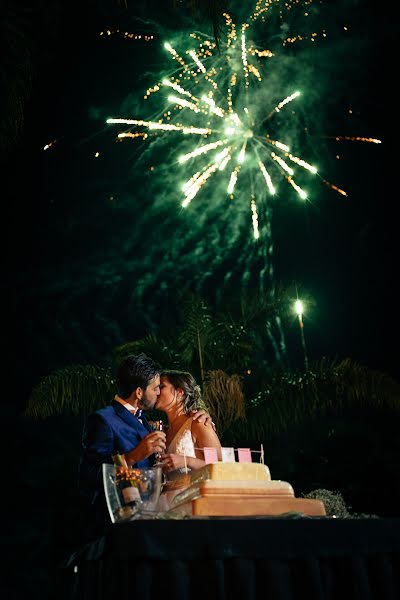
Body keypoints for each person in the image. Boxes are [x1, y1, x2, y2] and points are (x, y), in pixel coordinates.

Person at [78, 353, 214, 542]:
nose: (158, 392)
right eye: (156, 388)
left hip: (153, 519)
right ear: (139, 392)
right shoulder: (103, 420)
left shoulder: (146, 421)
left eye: (161, 387)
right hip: (119, 524)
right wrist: (131, 457)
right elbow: (87, 476)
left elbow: (215, 462)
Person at [156, 369, 222, 511]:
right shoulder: (163, 431)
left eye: (161, 387)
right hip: (165, 504)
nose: (157, 391)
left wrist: (187, 461)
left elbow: (220, 467)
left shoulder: (198, 423)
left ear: (180, 392)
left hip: (192, 503)